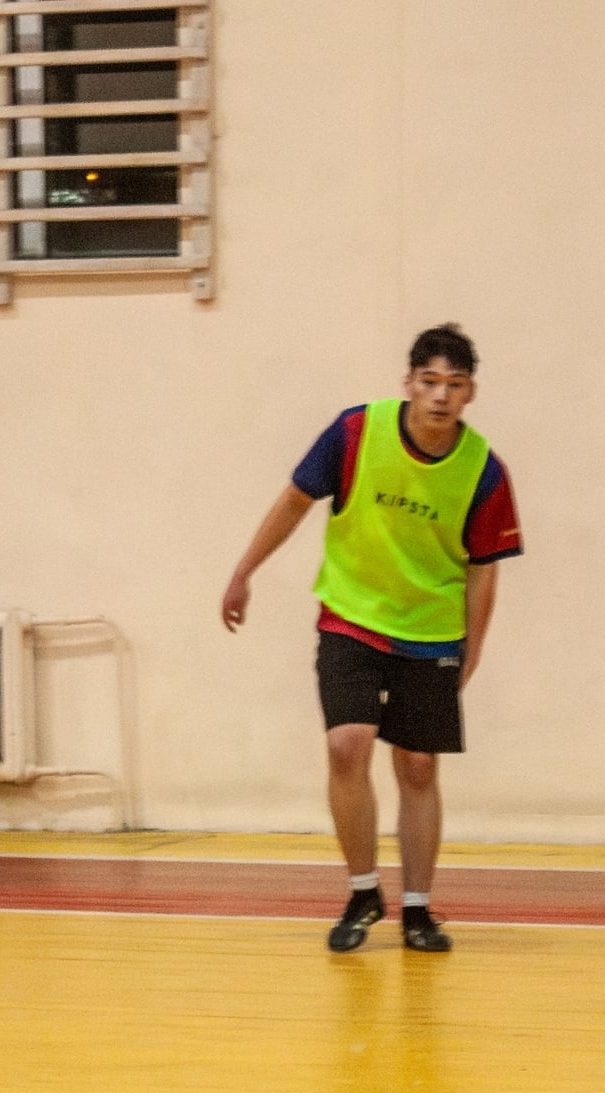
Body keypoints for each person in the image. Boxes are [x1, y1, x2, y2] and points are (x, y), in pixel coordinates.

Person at [218, 323, 523, 954]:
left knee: (418, 765)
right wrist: (244, 571)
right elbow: (295, 501)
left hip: (430, 630)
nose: (440, 395)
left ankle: (417, 909)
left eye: (454, 384)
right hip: (351, 616)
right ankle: (363, 892)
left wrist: (473, 649)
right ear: (408, 382)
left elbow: (482, 571)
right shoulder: (357, 431)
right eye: (429, 381)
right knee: (347, 745)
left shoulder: (484, 471)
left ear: (470, 393)